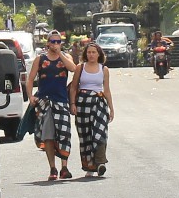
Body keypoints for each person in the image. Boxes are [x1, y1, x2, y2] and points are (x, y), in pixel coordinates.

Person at [28, 32, 76, 181]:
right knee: (48, 135)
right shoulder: (40, 59)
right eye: (53, 41)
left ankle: (64, 167)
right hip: (45, 101)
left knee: (64, 134)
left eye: (58, 41)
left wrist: (60, 53)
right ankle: (52, 168)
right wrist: (30, 96)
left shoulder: (66, 57)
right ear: (47, 43)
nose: (55, 43)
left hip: (61, 101)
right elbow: (30, 80)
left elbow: (73, 68)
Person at [72, 40, 116, 177]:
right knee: (85, 136)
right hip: (83, 103)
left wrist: (111, 108)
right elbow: (73, 87)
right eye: (89, 52)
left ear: (98, 54)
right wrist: (72, 104)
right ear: (86, 54)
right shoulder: (80, 67)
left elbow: (107, 90)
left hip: (99, 103)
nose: (91, 55)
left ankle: (100, 162)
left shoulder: (104, 69)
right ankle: (89, 167)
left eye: (94, 52)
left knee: (100, 132)